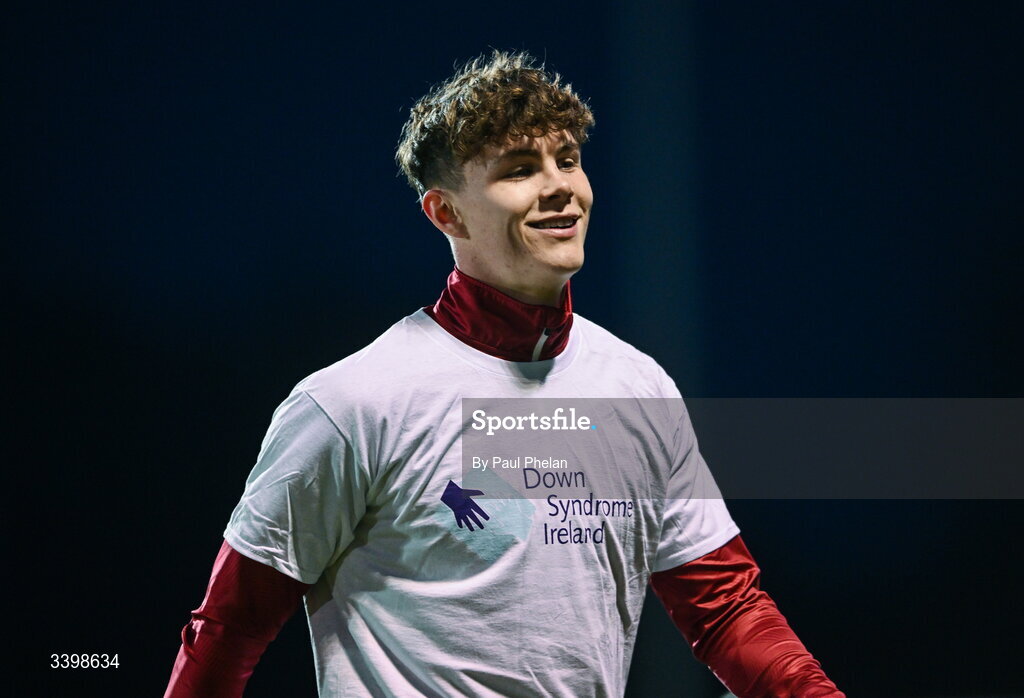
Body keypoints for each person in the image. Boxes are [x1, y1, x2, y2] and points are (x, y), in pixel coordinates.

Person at [165, 51, 844, 697]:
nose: (559, 187)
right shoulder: (350, 403)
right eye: (520, 168)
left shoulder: (637, 389)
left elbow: (725, 610)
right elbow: (228, 631)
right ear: (445, 211)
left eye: (568, 160)